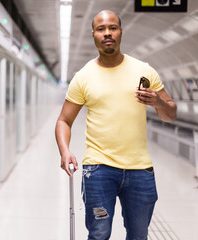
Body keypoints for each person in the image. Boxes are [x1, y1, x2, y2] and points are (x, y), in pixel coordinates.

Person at [55, 10, 177, 240]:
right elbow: (64, 120)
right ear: (94, 35)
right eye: (101, 29)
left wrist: (159, 102)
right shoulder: (83, 77)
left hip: (140, 170)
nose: (107, 33)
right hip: (98, 169)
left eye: (113, 27)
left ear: (121, 31)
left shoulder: (145, 71)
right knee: (99, 234)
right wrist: (65, 151)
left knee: (139, 235)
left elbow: (171, 114)